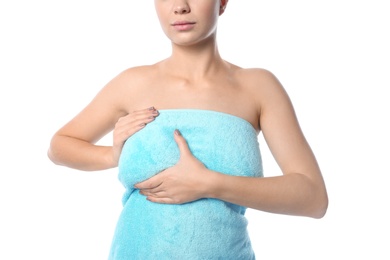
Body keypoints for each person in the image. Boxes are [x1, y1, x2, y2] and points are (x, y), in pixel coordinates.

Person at [48, 0, 328, 259]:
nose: (180, 6)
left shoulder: (258, 87)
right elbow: (60, 145)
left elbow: (313, 198)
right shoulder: (132, 83)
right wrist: (112, 155)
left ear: (222, 2)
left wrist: (209, 183)